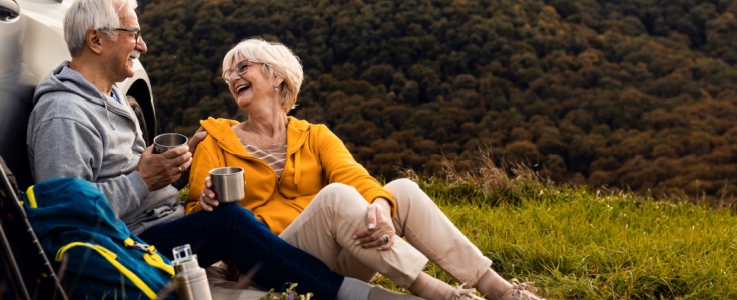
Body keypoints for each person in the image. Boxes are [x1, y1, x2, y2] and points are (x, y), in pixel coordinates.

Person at [25, 1, 419, 299]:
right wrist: (144, 180)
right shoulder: (65, 116)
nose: (142, 45)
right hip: (129, 246)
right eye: (133, 33)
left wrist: (173, 169)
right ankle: (350, 293)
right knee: (229, 221)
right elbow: (67, 220)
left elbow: (126, 179)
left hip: (157, 225)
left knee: (229, 222)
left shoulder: (108, 96)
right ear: (96, 39)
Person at [187, 38, 544, 300]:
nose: (232, 77)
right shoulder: (215, 140)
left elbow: (354, 175)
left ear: (277, 77)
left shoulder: (313, 135)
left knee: (400, 190)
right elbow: (195, 218)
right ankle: (444, 295)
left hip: (333, 259)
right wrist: (207, 204)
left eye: (242, 67)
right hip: (267, 262)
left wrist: (382, 207)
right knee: (336, 198)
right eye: (228, 73)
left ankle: (498, 288)